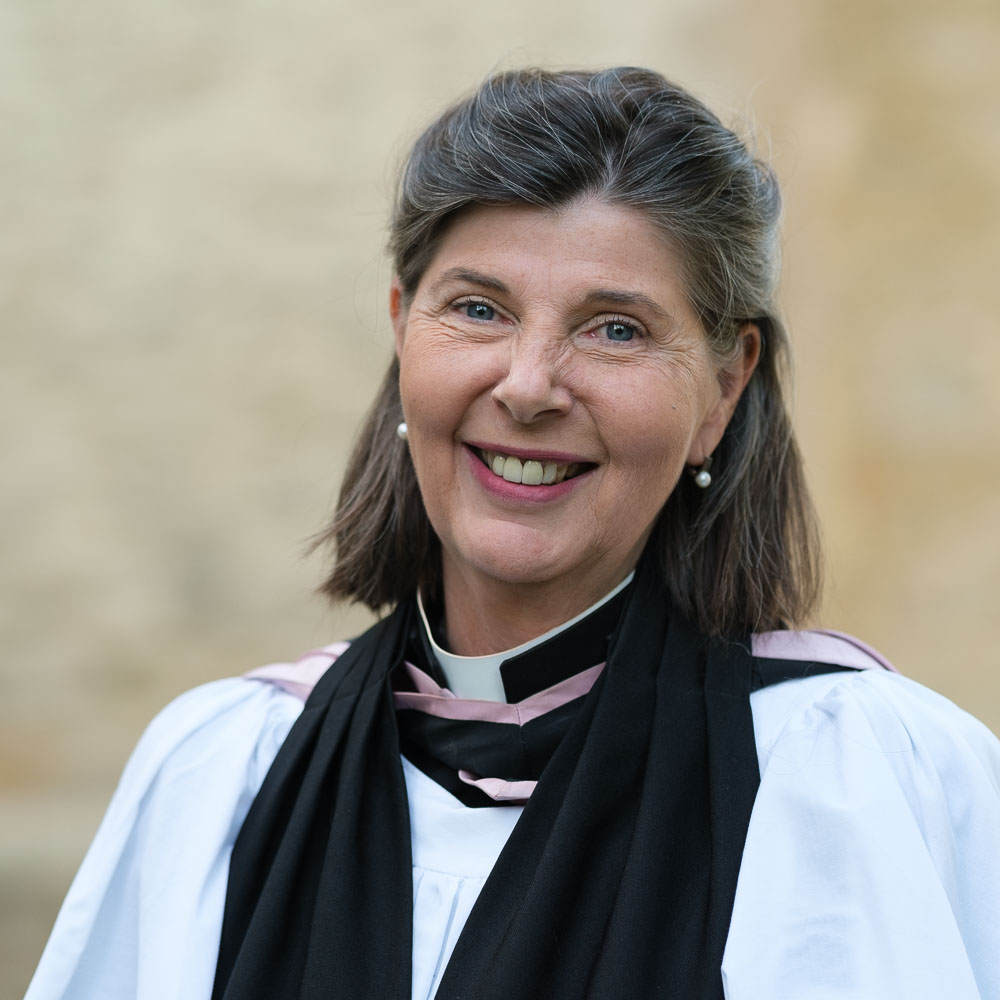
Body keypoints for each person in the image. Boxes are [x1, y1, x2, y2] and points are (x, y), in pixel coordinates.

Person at [27, 68, 1000, 1000]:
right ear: (404, 327)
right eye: (479, 309)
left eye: (614, 328)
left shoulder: (844, 778)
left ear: (724, 384)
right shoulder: (225, 775)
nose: (529, 384)